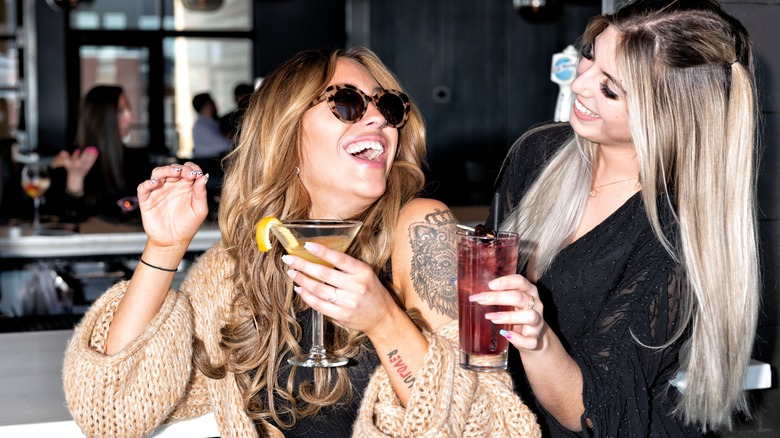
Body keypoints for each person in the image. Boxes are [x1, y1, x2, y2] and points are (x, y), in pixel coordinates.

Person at [62, 46, 541, 437]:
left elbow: (493, 427)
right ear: (287, 135)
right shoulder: (241, 265)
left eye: (388, 106)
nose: (378, 119)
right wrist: (163, 250)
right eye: (348, 103)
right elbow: (113, 413)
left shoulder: (418, 230)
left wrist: (384, 320)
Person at [480, 0, 760, 436]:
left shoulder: (673, 234)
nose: (580, 85)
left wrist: (535, 338)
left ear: (667, 116)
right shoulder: (538, 152)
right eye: (589, 54)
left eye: (611, 89)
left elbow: (593, 414)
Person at [47, 85, 151, 222]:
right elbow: (66, 221)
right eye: (121, 111)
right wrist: (75, 180)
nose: (130, 118)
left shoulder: (138, 160)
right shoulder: (69, 160)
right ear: (101, 117)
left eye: (128, 110)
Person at [191, 92, 232, 160]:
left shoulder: (211, 123)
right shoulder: (201, 126)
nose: (215, 105)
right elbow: (224, 145)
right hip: (207, 163)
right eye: (212, 103)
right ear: (206, 106)